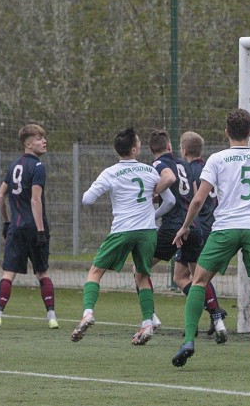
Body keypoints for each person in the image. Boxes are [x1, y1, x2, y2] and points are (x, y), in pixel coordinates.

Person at [171, 108, 250, 371]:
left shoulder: (217, 159)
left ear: (226, 132)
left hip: (224, 228)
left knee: (198, 281)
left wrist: (185, 227)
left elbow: (199, 199)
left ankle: (188, 341)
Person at [70, 127, 176, 345]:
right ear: (135, 149)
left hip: (122, 229)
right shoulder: (150, 171)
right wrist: (151, 215)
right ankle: (147, 322)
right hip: (147, 231)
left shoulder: (110, 173)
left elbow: (87, 199)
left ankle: (88, 313)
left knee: (95, 272)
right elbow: (171, 201)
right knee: (143, 275)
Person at [147, 129, 228, 344]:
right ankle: (216, 316)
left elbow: (190, 198)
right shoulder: (205, 168)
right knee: (188, 276)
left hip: (185, 225)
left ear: (182, 149)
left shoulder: (185, 168)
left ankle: (150, 317)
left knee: (142, 267)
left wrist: (153, 199)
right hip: (204, 226)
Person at [0, 124, 58, 330]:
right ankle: (51, 317)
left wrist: (7, 222)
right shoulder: (38, 167)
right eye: (40, 138)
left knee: (8, 273)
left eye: (44, 137)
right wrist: (40, 231)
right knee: (42, 272)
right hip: (35, 227)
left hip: (16, 226)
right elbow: (35, 200)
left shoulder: (14, 166)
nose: (44, 141)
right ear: (28, 144)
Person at [173, 131, 228, 341]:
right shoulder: (209, 167)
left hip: (198, 226)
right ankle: (211, 310)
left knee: (199, 278)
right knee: (180, 276)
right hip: (209, 224)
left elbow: (195, 199)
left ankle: (215, 314)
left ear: (184, 149)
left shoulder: (190, 170)